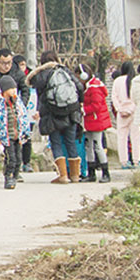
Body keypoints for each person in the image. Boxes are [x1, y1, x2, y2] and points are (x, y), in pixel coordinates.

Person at [28, 50, 86, 183]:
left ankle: (63, 176)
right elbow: (80, 87)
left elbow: (41, 97)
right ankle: (75, 176)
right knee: (71, 141)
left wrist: (39, 112)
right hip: (71, 111)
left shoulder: (41, 75)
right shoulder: (65, 71)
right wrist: (79, 103)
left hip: (52, 114)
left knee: (56, 143)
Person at [81, 67, 113, 183]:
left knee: (98, 146)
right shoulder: (88, 87)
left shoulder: (94, 88)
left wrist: (83, 109)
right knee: (89, 146)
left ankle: (105, 172)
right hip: (90, 120)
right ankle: (91, 173)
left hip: (96, 120)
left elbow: (96, 105)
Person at [111, 60, 140, 168]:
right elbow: (137, 97)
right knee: (136, 137)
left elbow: (114, 97)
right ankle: (136, 161)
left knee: (121, 137)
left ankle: (124, 161)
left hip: (121, 113)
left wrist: (120, 109)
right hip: (134, 113)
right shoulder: (134, 80)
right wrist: (131, 109)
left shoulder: (117, 81)